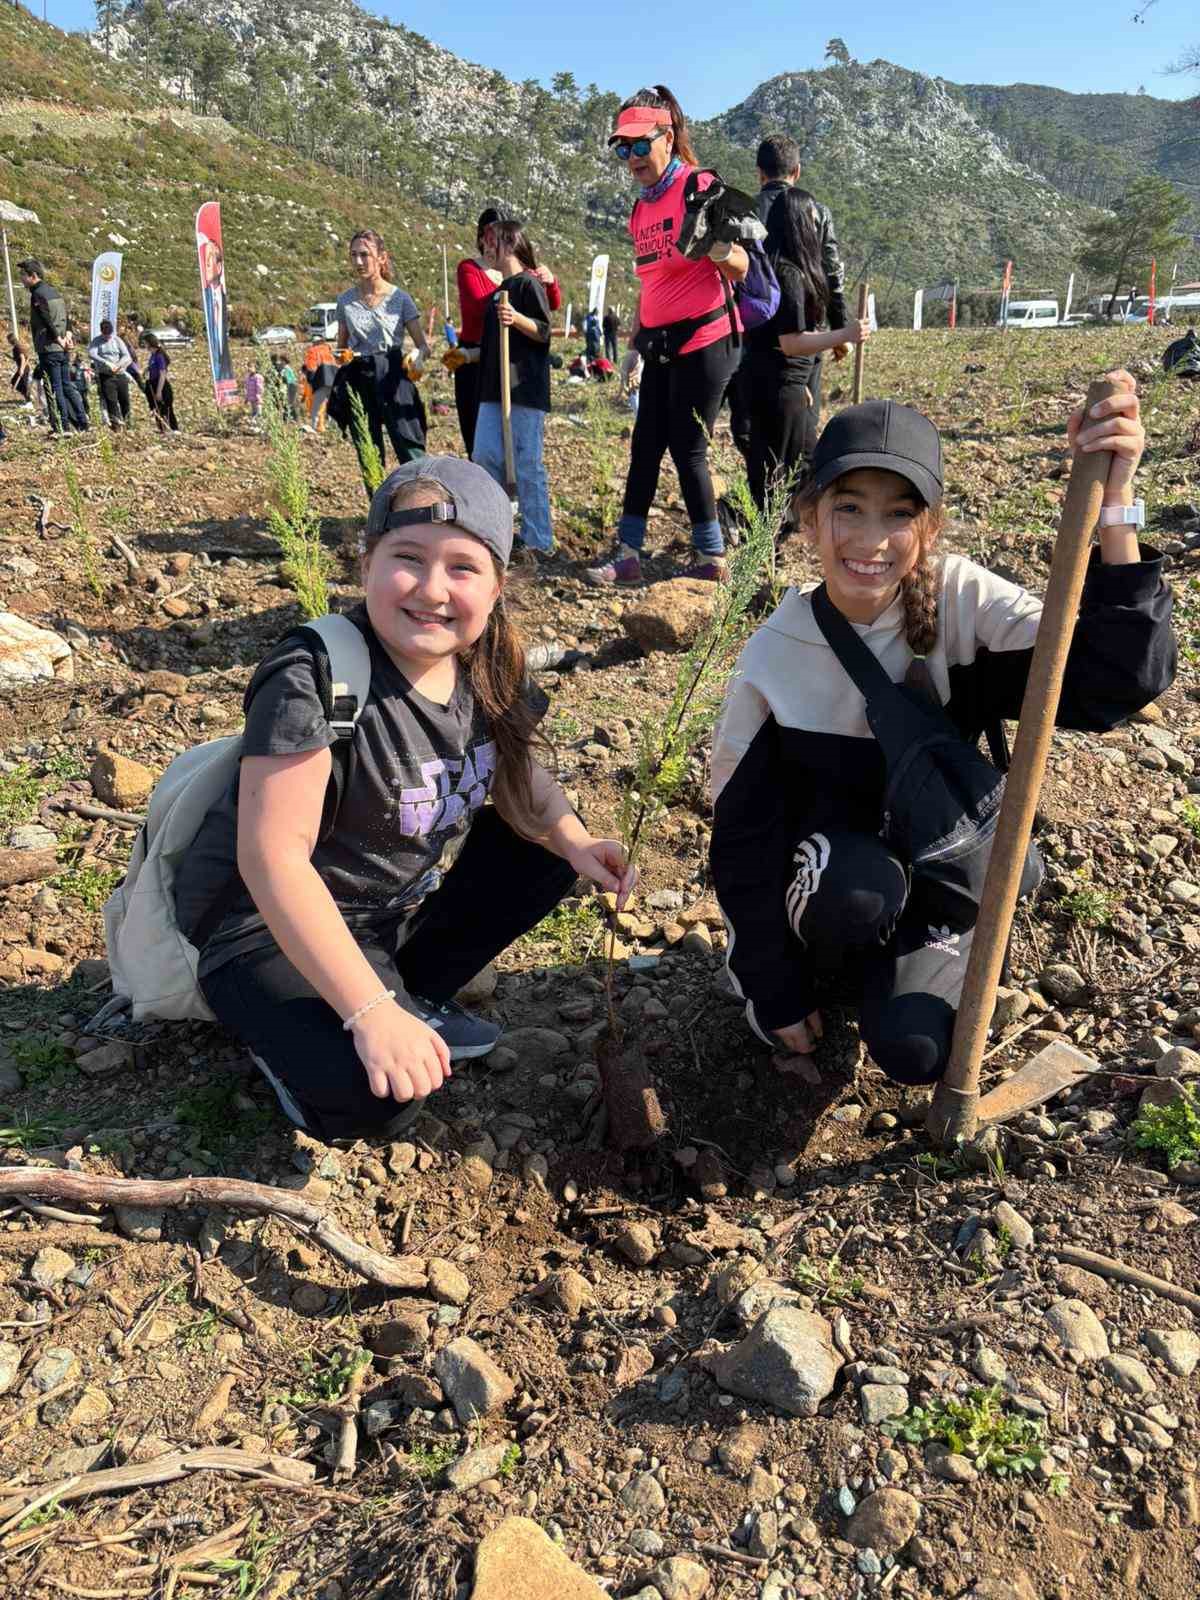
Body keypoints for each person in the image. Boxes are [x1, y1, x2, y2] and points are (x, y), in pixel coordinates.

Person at [710, 376, 1175, 1087]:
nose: (871, 540)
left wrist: (1116, 505)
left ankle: (918, 961)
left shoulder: (963, 602)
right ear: (809, 518)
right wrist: (770, 985)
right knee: (856, 889)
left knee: (916, 1054)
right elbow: (740, 844)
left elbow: (1117, 677)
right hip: (834, 880)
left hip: (939, 875)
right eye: (849, 509)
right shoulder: (775, 654)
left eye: (898, 513)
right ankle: (830, 972)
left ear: (928, 527)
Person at [172, 456, 634, 1141]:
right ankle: (289, 1045)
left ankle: (408, 992)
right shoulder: (317, 678)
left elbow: (514, 768)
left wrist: (572, 838)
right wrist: (370, 1015)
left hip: (379, 915)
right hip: (261, 932)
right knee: (377, 1100)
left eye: (463, 568)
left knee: (542, 851)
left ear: (497, 585)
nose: (432, 588)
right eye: (408, 558)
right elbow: (272, 861)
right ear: (366, 564)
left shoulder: (484, 661)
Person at [586, 86, 748, 586]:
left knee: (688, 446)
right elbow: (650, 284)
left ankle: (712, 557)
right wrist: (633, 347)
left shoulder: (699, 186)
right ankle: (628, 553)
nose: (631, 156)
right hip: (657, 344)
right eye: (622, 148)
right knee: (645, 444)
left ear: (667, 136)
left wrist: (714, 247)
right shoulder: (641, 210)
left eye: (640, 144)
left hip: (707, 339)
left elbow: (742, 265)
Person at [743, 188, 869, 515]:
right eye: (813, 220)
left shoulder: (775, 266)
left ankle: (776, 537)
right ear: (800, 223)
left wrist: (800, 385)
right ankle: (763, 540)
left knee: (789, 466)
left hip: (777, 383)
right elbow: (791, 342)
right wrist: (845, 334)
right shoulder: (790, 274)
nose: (817, 226)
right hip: (779, 387)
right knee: (783, 471)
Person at [470, 218, 555, 558]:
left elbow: (544, 331)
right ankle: (496, 533)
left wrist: (515, 318)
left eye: (493, 242)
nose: (487, 248)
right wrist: (467, 354)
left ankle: (539, 540)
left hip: (524, 390)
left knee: (527, 464)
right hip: (493, 390)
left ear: (510, 244)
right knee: (484, 457)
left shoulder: (526, 286)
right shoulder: (496, 294)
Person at [450, 209, 563, 457]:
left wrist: (547, 281)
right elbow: (481, 307)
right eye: (487, 235)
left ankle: (512, 492)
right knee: (481, 442)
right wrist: (512, 282)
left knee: (519, 449)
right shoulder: (471, 268)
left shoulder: (523, 279)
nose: (490, 242)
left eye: (496, 236)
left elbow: (547, 310)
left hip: (512, 360)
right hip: (480, 355)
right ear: (480, 237)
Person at [328, 229, 429, 468]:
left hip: (393, 375)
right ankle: (378, 503)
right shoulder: (345, 301)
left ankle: (421, 501)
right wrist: (340, 356)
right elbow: (340, 350)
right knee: (369, 456)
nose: (358, 261)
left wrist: (417, 355)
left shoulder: (400, 299)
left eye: (365, 254)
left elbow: (423, 346)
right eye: (353, 255)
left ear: (382, 257)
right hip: (359, 378)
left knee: (411, 450)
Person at [17, 258, 89, 434]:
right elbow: (67, 318)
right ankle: (83, 422)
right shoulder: (54, 292)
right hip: (62, 348)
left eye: (23, 276)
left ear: (33, 276)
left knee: (53, 388)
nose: (21, 279)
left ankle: (61, 426)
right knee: (66, 386)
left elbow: (46, 318)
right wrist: (68, 336)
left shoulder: (37, 294)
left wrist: (58, 338)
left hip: (50, 348)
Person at [87, 319, 134, 430]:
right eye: (105, 334)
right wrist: (106, 362)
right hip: (106, 375)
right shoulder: (96, 341)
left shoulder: (117, 340)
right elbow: (91, 353)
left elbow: (127, 356)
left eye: (109, 334)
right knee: (111, 401)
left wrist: (118, 365)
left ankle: (128, 425)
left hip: (120, 374)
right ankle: (116, 426)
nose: (107, 337)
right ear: (102, 331)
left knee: (125, 400)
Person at [144, 333, 179, 432]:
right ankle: (162, 429)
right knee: (157, 409)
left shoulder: (159, 355)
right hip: (153, 384)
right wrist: (147, 370)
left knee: (166, 409)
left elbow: (162, 373)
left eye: (145, 343)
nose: (145, 345)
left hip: (161, 385)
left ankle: (173, 429)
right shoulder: (153, 355)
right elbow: (152, 366)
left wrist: (159, 391)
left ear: (150, 343)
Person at [302, 337, 336, 430]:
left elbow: (311, 368)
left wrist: (311, 382)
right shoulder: (329, 352)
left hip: (320, 381)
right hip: (333, 381)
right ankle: (333, 426)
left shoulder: (313, 351)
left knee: (318, 405)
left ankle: (319, 427)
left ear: (314, 343)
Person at [10, 339, 32, 404]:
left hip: (23, 368)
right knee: (16, 381)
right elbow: (27, 357)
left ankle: (29, 401)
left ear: (10, 340)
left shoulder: (16, 348)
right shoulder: (20, 346)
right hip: (25, 368)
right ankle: (28, 396)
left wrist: (21, 369)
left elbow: (22, 358)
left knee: (22, 384)